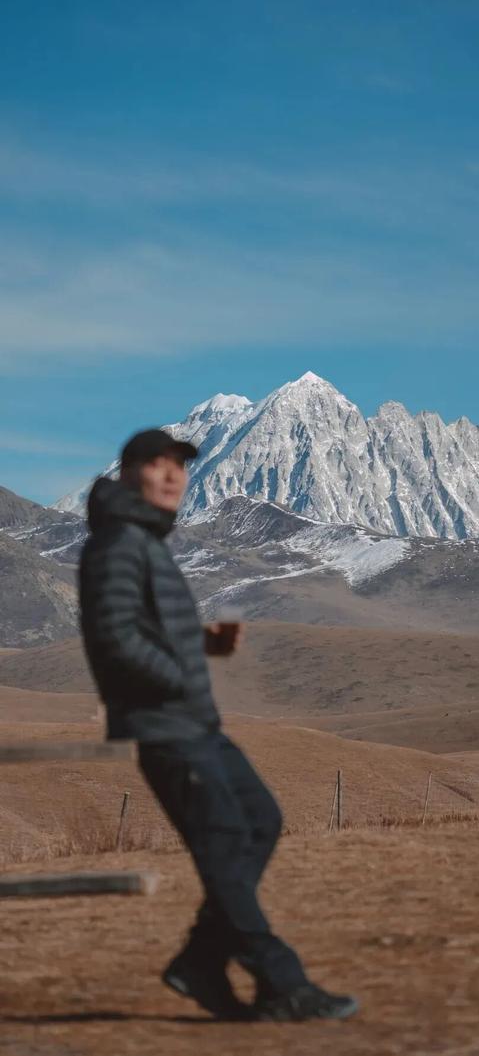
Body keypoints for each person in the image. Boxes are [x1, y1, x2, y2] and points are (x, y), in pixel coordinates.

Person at [77, 427, 358, 1023]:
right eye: (159, 464)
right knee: (227, 840)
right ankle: (282, 981)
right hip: (164, 724)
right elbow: (115, 637)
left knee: (260, 818)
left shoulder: (145, 540)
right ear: (130, 472)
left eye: (180, 466)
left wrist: (203, 641)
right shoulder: (118, 544)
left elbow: (144, 628)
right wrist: (179, 672)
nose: (174, 475)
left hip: (193, 721)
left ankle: (201, 961)